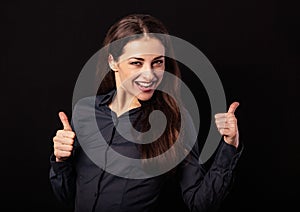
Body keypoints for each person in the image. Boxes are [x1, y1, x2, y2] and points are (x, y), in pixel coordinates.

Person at [49, 13, 243, 212]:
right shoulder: (84, 111)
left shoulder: (175, 121)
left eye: (158, 62)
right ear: (113, 62)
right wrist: (61, 161)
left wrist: (229, 146)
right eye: (137, 63)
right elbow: (68, 198)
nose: (150, 74)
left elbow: (200, 203)